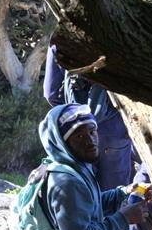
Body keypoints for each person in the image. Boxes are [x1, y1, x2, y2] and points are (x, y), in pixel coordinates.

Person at [44, 45, 133, 190]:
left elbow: (51, 93)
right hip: (114, 131)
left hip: (77, 134)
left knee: (82, 188)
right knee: (117, 192)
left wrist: (73, 115)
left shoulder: (60, 42)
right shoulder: (120, 39)